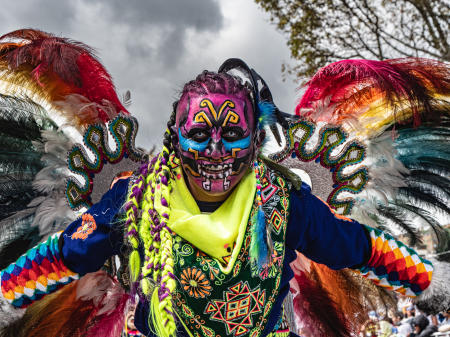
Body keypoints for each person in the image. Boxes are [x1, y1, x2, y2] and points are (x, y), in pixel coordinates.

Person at [0, 31, 448, 337]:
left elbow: (359, 247)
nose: (216, 149)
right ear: (175, 138)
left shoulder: (285, 202)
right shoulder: (134, 198)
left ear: (254, 140)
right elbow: (65, 254)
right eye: (199, 132)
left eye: (232, 133)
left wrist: (431, 282)